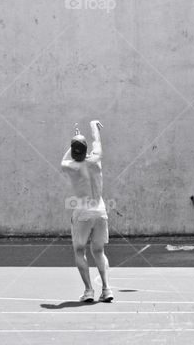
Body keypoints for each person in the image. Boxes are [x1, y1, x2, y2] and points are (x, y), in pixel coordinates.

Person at [60, 120, 113, 302]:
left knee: (79, 250)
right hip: (100, 211)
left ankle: (89, 290)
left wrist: (73, 142)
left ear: (74, 151)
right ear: (85, 150)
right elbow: (97, 142)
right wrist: (93, 126)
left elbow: (64, 160)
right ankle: (106, 289)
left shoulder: (71, 166)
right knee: (99, 251)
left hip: (82, 212)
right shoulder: (96, 160)